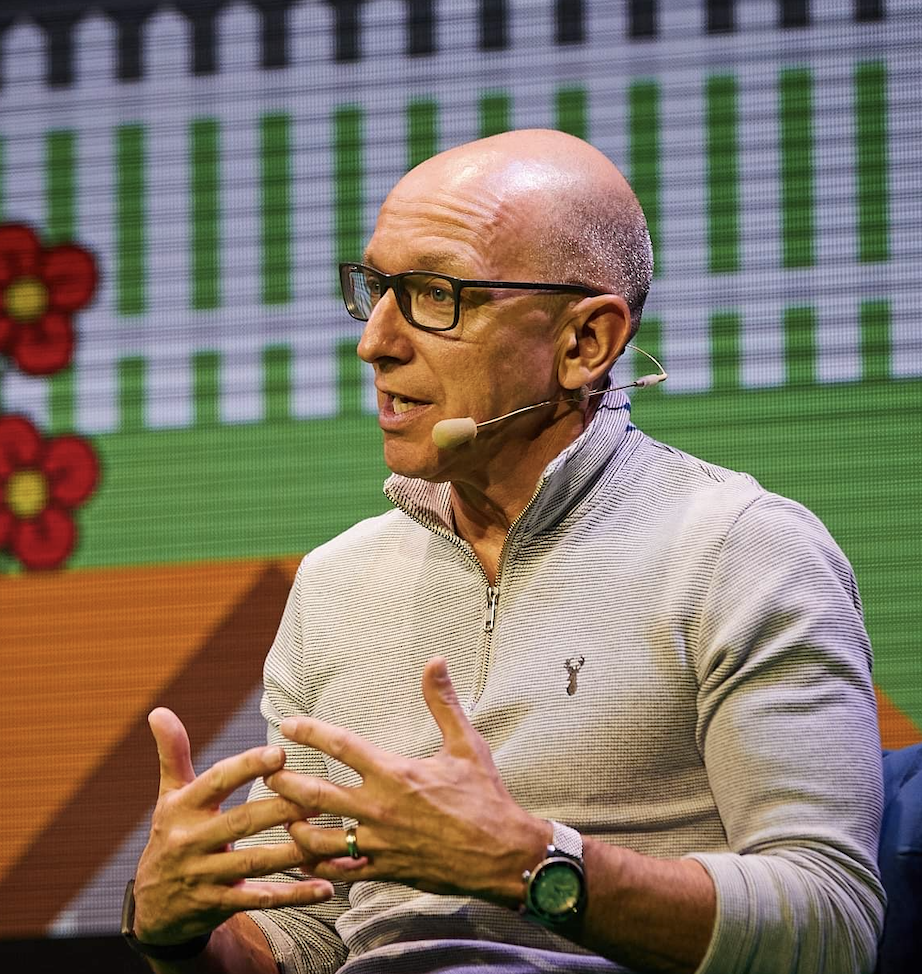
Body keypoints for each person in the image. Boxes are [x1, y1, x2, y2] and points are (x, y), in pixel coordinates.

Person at [125, 130, 885, 974]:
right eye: (377, 289)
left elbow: (830, 925)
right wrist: (185, 931)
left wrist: (527, 866)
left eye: (436, 294)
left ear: (585, 343)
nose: (375, 341)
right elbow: (309, 939)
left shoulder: (742, 551)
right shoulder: (336, 583)